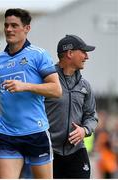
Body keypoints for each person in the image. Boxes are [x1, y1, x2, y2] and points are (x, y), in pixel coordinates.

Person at [0, 8, 62, 179]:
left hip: (36, 132)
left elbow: (56, 90)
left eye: (14, 25)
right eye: (6, 25)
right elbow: (1, 91)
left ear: (27, 28)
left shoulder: (39, 55)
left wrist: (25, 86)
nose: (9, 29)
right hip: (7, 135)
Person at [45, 34, 98, 179]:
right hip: (48, 152)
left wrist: (84, 130)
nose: (87, 56)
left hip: (77, 152)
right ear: (69, 53)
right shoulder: (47, 80)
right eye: (83, 52)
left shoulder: (85, 85)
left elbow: (92, 116)